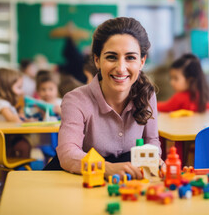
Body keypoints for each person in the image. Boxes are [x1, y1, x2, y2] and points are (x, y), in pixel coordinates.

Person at [45, 17, 161, 180]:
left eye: (130, 57)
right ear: (97, 60)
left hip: (125, 182)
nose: (121, 68)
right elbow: (67, 152)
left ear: (142, 62)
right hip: (79, 180)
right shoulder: (76, 99)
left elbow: (152, 141)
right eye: (112, 57)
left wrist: (153, 161)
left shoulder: (147, 95)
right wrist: (107, 168)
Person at [0, 68, 33, 185]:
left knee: (25, 146)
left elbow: (15, 118)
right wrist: (21, 116)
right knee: (20, 148)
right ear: (5, 88)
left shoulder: (7, 104)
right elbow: (12, 118)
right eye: (19, 87)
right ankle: (7, 178)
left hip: (7, 138)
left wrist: (22, 117)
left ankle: (15, 175)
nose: (21, 91)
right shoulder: (0, 103)